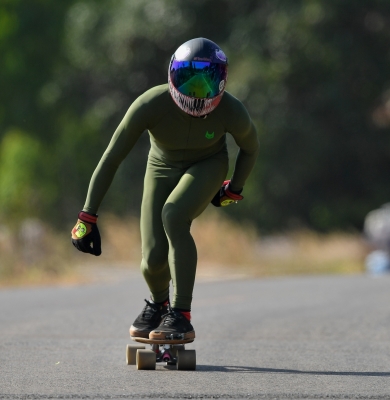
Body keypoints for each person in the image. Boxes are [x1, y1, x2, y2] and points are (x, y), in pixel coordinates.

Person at [71, 38, 259, 341]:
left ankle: (181, 315)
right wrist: (87, 215)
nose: (197, 92)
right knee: (151, 261)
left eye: (206, 82)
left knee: (173, 215)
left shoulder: (231, 110)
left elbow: (251, 148)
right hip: (161, 167)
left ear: (222, 82)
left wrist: (233, 189)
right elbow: (111, 158)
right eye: (189, 80)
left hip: (208, 164)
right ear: (172, 75)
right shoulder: (150, 103)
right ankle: (159, 305)